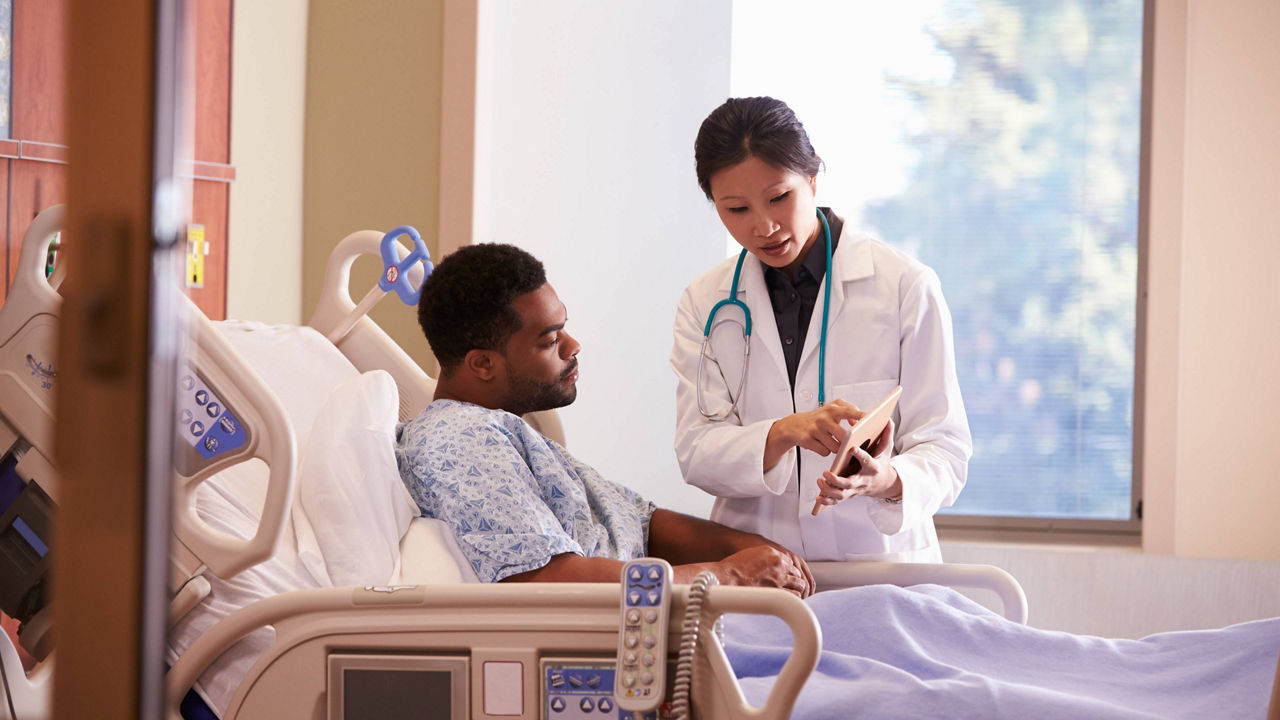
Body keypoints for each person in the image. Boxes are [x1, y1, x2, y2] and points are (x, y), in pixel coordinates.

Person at [395, 242, 814, 596]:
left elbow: (643, 523)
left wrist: (757, 549)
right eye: (550, 339)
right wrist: (730, 575)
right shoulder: (461, 441)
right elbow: (548, 579)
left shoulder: (507, 431)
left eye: (565, 328)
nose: (573, 346)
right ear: (483, 363)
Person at [671, 96, 971, 563]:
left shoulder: (904, 287)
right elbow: (696, 451)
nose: (764, 226)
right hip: (761, 572)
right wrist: (784, 432)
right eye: (736, 209)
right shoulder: (705, 302)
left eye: (778, 198)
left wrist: (886, 480)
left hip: (878, 570)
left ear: (812, 177)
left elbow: (945, 447)